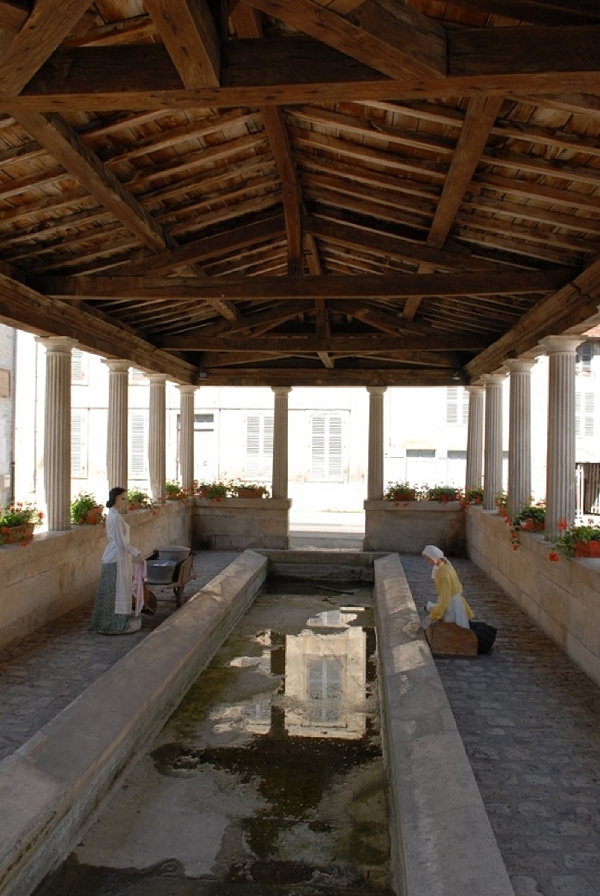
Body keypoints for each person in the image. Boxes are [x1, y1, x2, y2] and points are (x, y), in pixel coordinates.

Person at [89, 487, 145, 635]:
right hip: (115, 556)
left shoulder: (114, 515)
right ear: (115, 498)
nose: (125, 501)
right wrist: (136, 553)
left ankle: (111, 622)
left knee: (113, 590)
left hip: (117, 555)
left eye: (125, 498)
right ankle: (112, 624)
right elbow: (120, 542)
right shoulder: (113, 517)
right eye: (122, 498)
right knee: (113, 591)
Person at [421, 544, 474, 629]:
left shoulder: (443, 574)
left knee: (452, 629)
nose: (429, 562)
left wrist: (434, 615)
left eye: (429, 559)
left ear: (435, 557)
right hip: (455, 601)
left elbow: (445, 598)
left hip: (451, 605)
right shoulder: (446, 566)